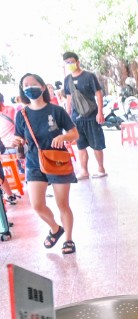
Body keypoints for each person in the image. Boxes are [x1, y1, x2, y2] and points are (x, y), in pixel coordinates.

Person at [12, 73, 79, 254]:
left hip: (58, 161)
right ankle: (56, 229)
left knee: (62, 204)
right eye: (25, 85)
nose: (29, 87)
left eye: (33, 84)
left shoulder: (56, 111)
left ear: (42, 87)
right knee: (37, 205)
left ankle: (68, 239)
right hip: (34, 162)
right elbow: (19, 136)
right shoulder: (22, 114)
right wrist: (16, 141)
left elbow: (75, 134)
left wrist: (63, 136)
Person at [62, 51, 106, 179]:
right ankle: (84, 171)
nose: (69, 64)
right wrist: (68, 117)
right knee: (80, 145)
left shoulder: (89, 76)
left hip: (92, 116)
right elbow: (69, 98)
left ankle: (101, 169)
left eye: (71, 61)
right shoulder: (67, 80)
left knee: (96, 144)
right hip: (77, 118)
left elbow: (98, 93)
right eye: (67, 63)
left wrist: (100, 112)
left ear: (78, 62)